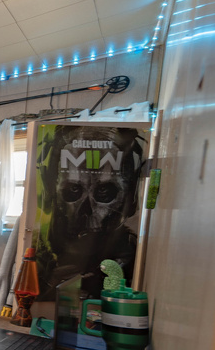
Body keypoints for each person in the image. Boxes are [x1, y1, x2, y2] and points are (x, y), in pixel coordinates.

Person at [34, 125, 143, 300]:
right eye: (72, 191)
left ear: (129, 198)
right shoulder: (40, 250)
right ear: (52, 190)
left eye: (104, 193)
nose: (86, 211)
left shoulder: (131, 255)